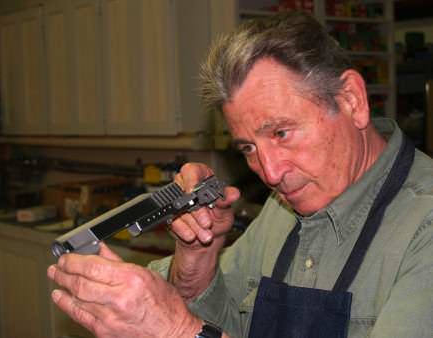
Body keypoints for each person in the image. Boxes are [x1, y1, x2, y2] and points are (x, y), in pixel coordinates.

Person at [47, 11, 433, 338]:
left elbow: (190, 329)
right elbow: (224, 321)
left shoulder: (424, 227)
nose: (270, 173)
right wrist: (197, 260)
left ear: (351, 100)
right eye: (248, 148)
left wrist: (178, 332)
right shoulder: (284, 208)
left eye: (281, 133)